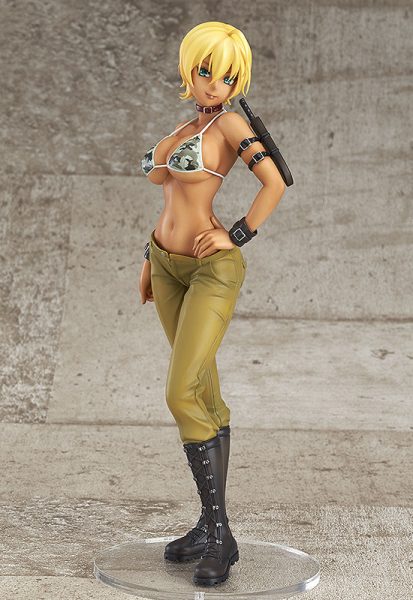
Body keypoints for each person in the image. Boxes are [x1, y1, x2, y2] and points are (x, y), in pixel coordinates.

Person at [139, 21, 286, 586]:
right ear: (189, 68)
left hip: (209, 270)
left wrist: (237, 234)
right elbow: (171, 197)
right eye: (204, 70)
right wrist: (149, 258)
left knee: (181, 392)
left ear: (236, 82)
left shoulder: (229, 124)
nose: (212, 83)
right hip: (167, 266)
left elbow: (274, 182)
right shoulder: (188, 126)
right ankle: (209, 527)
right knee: (201, 390)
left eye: (225, 76)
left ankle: (221, 535)